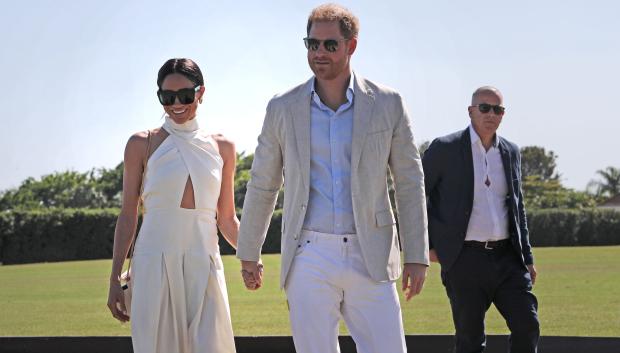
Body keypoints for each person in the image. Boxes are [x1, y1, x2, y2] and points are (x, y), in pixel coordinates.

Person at [236, 4, 429, 353]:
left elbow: (409, 181)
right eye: (312, 44)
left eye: (329, 45)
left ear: (351, 46)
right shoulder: (281, 107)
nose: (318, 53)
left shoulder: (388, 103)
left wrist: (416, 254)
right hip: (308, 253)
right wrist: (249, 251)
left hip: (371, 252)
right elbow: (264, 183)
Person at [106, 58, 238, 353]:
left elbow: (227, 219)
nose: (176, 104)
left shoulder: (223, 147)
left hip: (205, 262)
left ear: (201, 93)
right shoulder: (141, 143)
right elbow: (128, 215)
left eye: (185, 96)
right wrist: (115, 278)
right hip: (153, 264)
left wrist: (252, 256)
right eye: (167, 97)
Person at [422, 86, 540, 353]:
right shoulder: (445, 148)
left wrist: (527, 257)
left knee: (527, 324)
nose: (491, 114)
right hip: (464, 259)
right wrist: (426, 244)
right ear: (471, 111)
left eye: (497, 109)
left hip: (508, 258)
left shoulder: (511, 151)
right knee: (470, 338)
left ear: (503, 115)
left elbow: (518, 207)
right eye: (484, 108)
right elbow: (417, 198)